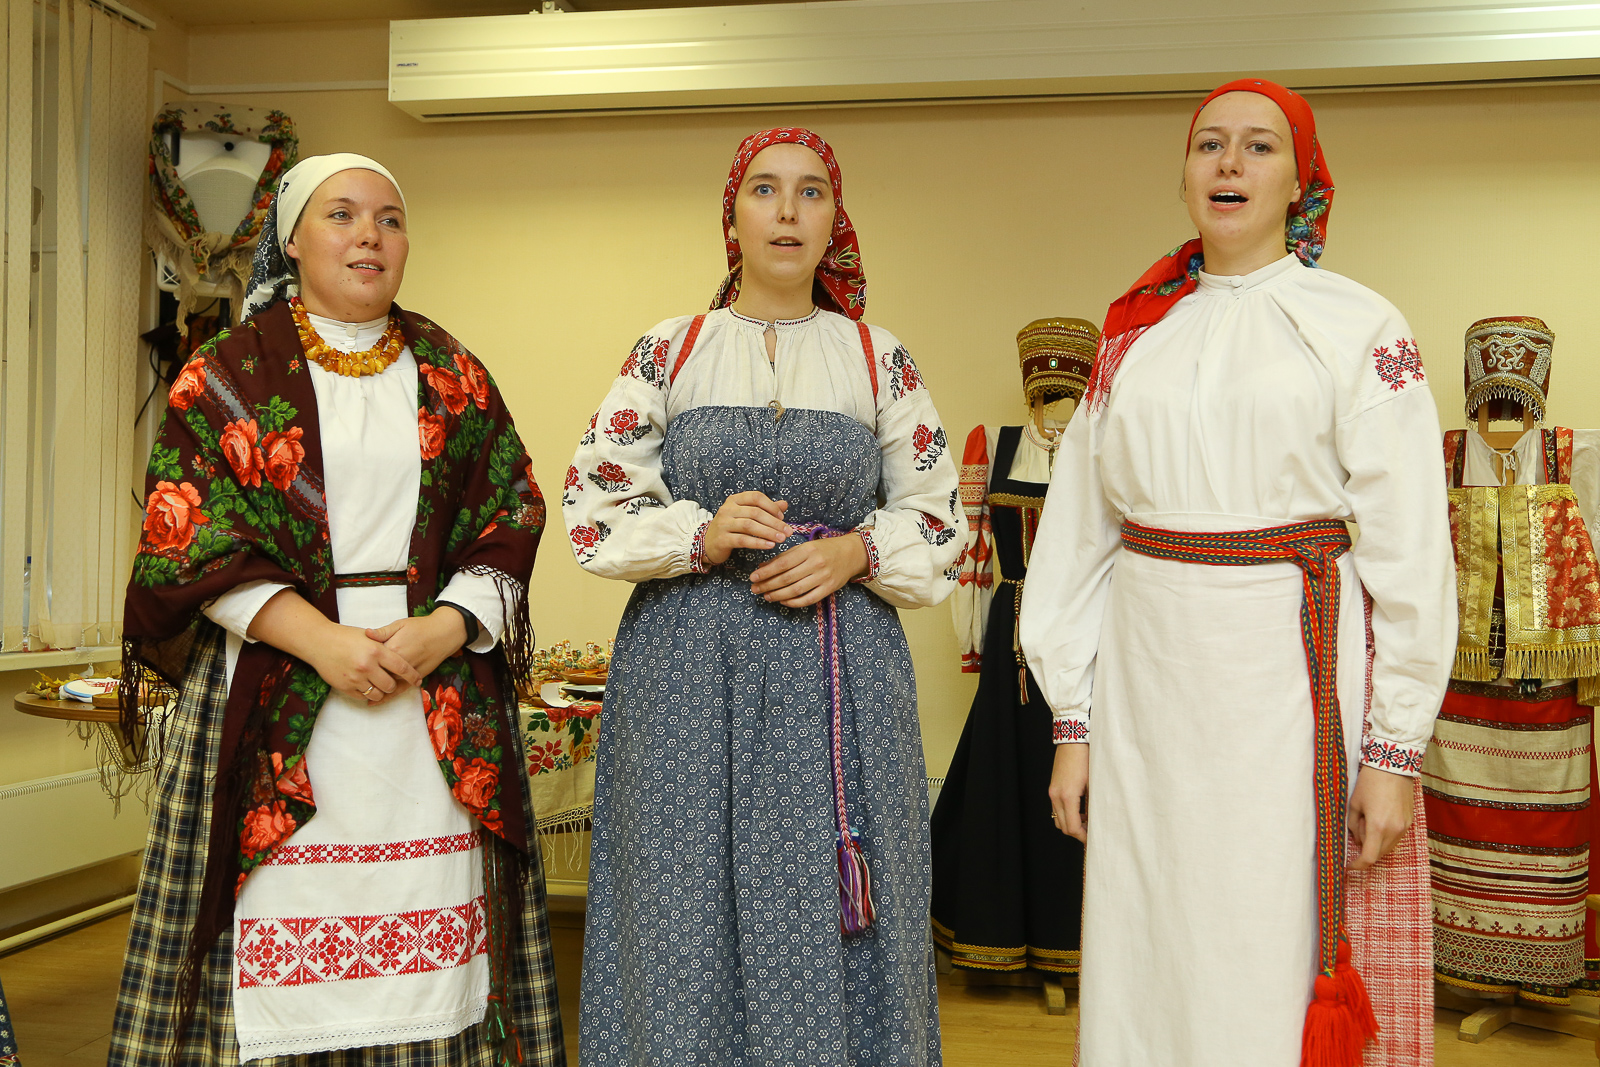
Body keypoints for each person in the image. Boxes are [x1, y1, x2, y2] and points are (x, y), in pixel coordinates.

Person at [1019, 81, 1455, 1066]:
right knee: (1151, 934)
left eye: (1258, 146)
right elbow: (1077, 537)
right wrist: (1073, 724)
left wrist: (1394, 752)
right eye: (1208, 144)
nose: (1228, 162)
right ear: (1184, 176)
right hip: (1147, 689)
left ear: (1300, 181)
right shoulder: (1133, 337)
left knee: (1265, 936)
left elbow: (1411, 549)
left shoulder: (1358, 324)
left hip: (1290, 683)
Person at [113, 154, 564, 1065]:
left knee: (436, 953)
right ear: (291, 239)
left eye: (390, 219)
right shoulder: (226, 374)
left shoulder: (452, 370)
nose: (370, 236)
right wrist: (322, 642)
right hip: (278, 679)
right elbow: (187, 533)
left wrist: (444, 628)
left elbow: (511, 509)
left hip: (429, 693)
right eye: (344, 215)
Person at [563, 127, 963, 1066]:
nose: (788, 211)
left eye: (812, 191)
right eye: (765, 190)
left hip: (839, 673)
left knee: (829, 894)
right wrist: (699, 535)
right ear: (733, 215)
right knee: (679, 895)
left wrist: (856, 552)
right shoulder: (671, 349)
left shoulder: (877, 357)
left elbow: (941, 518)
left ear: (835, 220)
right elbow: (592, 503)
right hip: (685, 675)